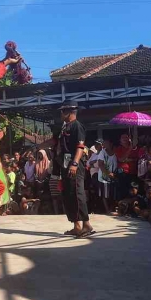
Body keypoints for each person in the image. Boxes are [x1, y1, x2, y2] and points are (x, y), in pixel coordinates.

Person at [57, 100, 94, 238]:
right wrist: (37, 147)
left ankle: (86, 224)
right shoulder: (64, 127)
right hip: (65, 165)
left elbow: (80, 146)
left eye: (63, 111)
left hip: (74, 165)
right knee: (68, 194)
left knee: (77, 194)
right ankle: (76, 226)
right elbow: (55, 141)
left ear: (69, 112)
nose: (61, 113)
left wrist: (75, 163)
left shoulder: (77, 126)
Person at [114, 133, 141, 200]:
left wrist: (129, 159)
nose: (125, 139)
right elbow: (121, 159)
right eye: (123, 137)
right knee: (124, 191)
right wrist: (129, 149)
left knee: (134, 191)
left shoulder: (135, 148)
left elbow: (138, 158)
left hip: (134, 173)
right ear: (120, 140)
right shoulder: (118, 149)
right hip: (123, 173)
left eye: (126, 137)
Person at [97, 139, 118, 215]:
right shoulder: (102, 152)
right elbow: (100, 164)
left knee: (113, 193)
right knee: (105, 194)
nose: (104, 145)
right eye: (103, 143)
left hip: (114, 176)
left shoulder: (115, 152)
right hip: (104, 177)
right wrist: (108, 173)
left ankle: (112, 208)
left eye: (106, 143)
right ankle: (107, 210)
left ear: (111, 143)